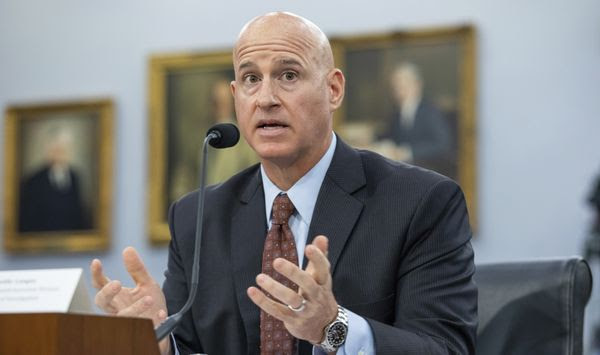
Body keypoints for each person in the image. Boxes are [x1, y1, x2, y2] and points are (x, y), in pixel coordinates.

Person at [91, 12, 476, 355]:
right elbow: (191, 345)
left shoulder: (420, 202)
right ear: (235, 96)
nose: (266, 98)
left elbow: (446, 348)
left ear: (334, 89)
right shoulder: (197, 217)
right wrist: (158, 340)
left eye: (288, 75)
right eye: (251, 79)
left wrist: (333, 327)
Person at [377, 62, 455, 175]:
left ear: (416, 85)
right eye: (395, 88)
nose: (398, 92)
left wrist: (408, 152)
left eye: (402, 86)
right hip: (403, 170)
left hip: (430, 172)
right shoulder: (396, 112)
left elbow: (442, 144)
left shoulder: (430, 111)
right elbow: (390, 135)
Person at [19, 126, 89, 232]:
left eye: (63, 149)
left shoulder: (75, 177)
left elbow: (80, 215)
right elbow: (28, 220)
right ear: (49, 150)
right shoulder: (34, 180)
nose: (60, 153)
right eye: (56, 149)